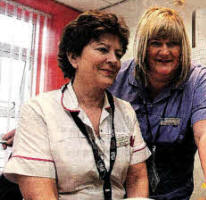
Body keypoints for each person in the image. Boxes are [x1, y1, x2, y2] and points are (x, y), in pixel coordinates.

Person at [109, 7, 206, 200]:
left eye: (173, 44)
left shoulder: (197, 79)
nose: (165, 51)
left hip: (175, 195)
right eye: (156, 43)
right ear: (144, 46)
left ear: (182, 48)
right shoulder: (117, 78)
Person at [3, 10, 151, 200]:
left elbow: (137, 178)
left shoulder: (126, 111)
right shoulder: (39, 110)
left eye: (118, 53)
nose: (114, 60)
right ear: (74, 57)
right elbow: (39, 196)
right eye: (103, 49)